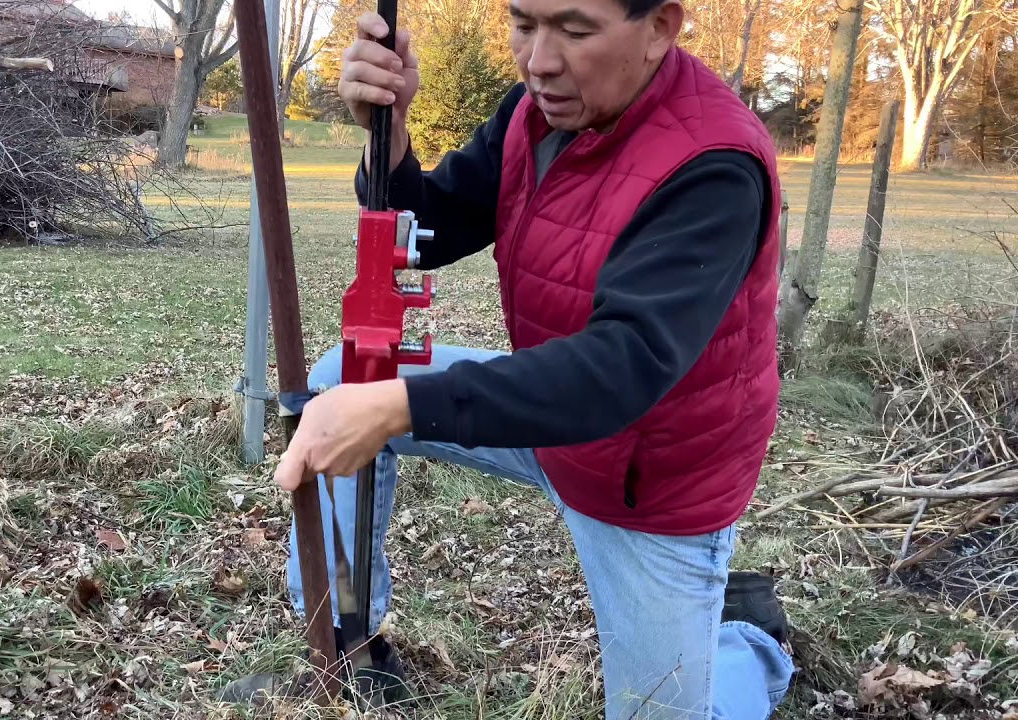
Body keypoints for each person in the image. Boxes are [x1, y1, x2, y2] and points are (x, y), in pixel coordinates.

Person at [224, 0, 797, 715]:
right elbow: (426, 232)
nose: (539, 60)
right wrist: (389, 136)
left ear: (660, 28)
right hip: (553, 413)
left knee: (670, 706)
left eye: (575, 29)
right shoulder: (534, 114)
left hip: (649, 479)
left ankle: (749, 644)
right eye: (524, 24)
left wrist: (397, 407)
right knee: (346, 379)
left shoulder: (713, 164)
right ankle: (351, 640)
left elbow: (623, 367)